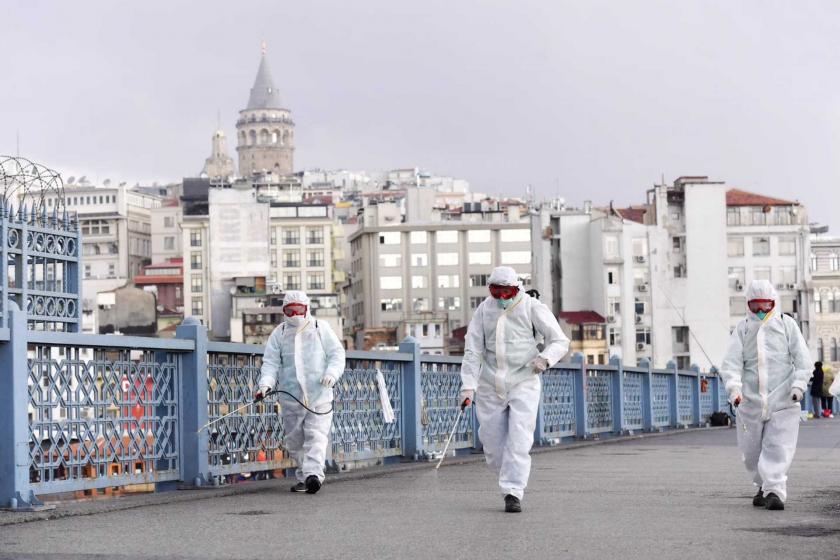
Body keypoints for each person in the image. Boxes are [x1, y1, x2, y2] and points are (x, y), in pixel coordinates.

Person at [458, 266, 570, 513]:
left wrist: (545, 359)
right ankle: (507, 476)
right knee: (492, 444)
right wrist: (468, 386)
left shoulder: (532, 307)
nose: (500, 298)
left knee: (519, 438)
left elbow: (560, 340)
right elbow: (473, 349)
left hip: (524, 380)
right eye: (495, 291)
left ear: (516, 289)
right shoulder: (484, 310)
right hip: (490, 382)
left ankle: (513, 492)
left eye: (506, 292)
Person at [719, 280, 811, 511]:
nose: (761, 312)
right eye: (755, 306)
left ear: (774, 303)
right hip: (750, 401)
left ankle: (775, 491)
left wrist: (798, 387)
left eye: (765, 306)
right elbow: (731, 364)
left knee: (778, 445)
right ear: (748, 305)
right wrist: (734, 390)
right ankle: (763, 485)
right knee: (751, 451)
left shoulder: (786, 324)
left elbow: (802, 360)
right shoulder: (742, 329)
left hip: (783, 400)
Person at [255, 291, 345, 494]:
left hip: (319, 394)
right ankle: (305, 477)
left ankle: (314, 476)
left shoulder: (320, 328)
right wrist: (265, 385)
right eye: (290, 310)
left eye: (299, 309)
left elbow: (336, 354)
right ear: (284, 311)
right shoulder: (279, 333)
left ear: (307, 308)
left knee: (316, 436)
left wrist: (331, 373)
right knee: (295, 441)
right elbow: (270, 363)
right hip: (291, 397)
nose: (295, 314)